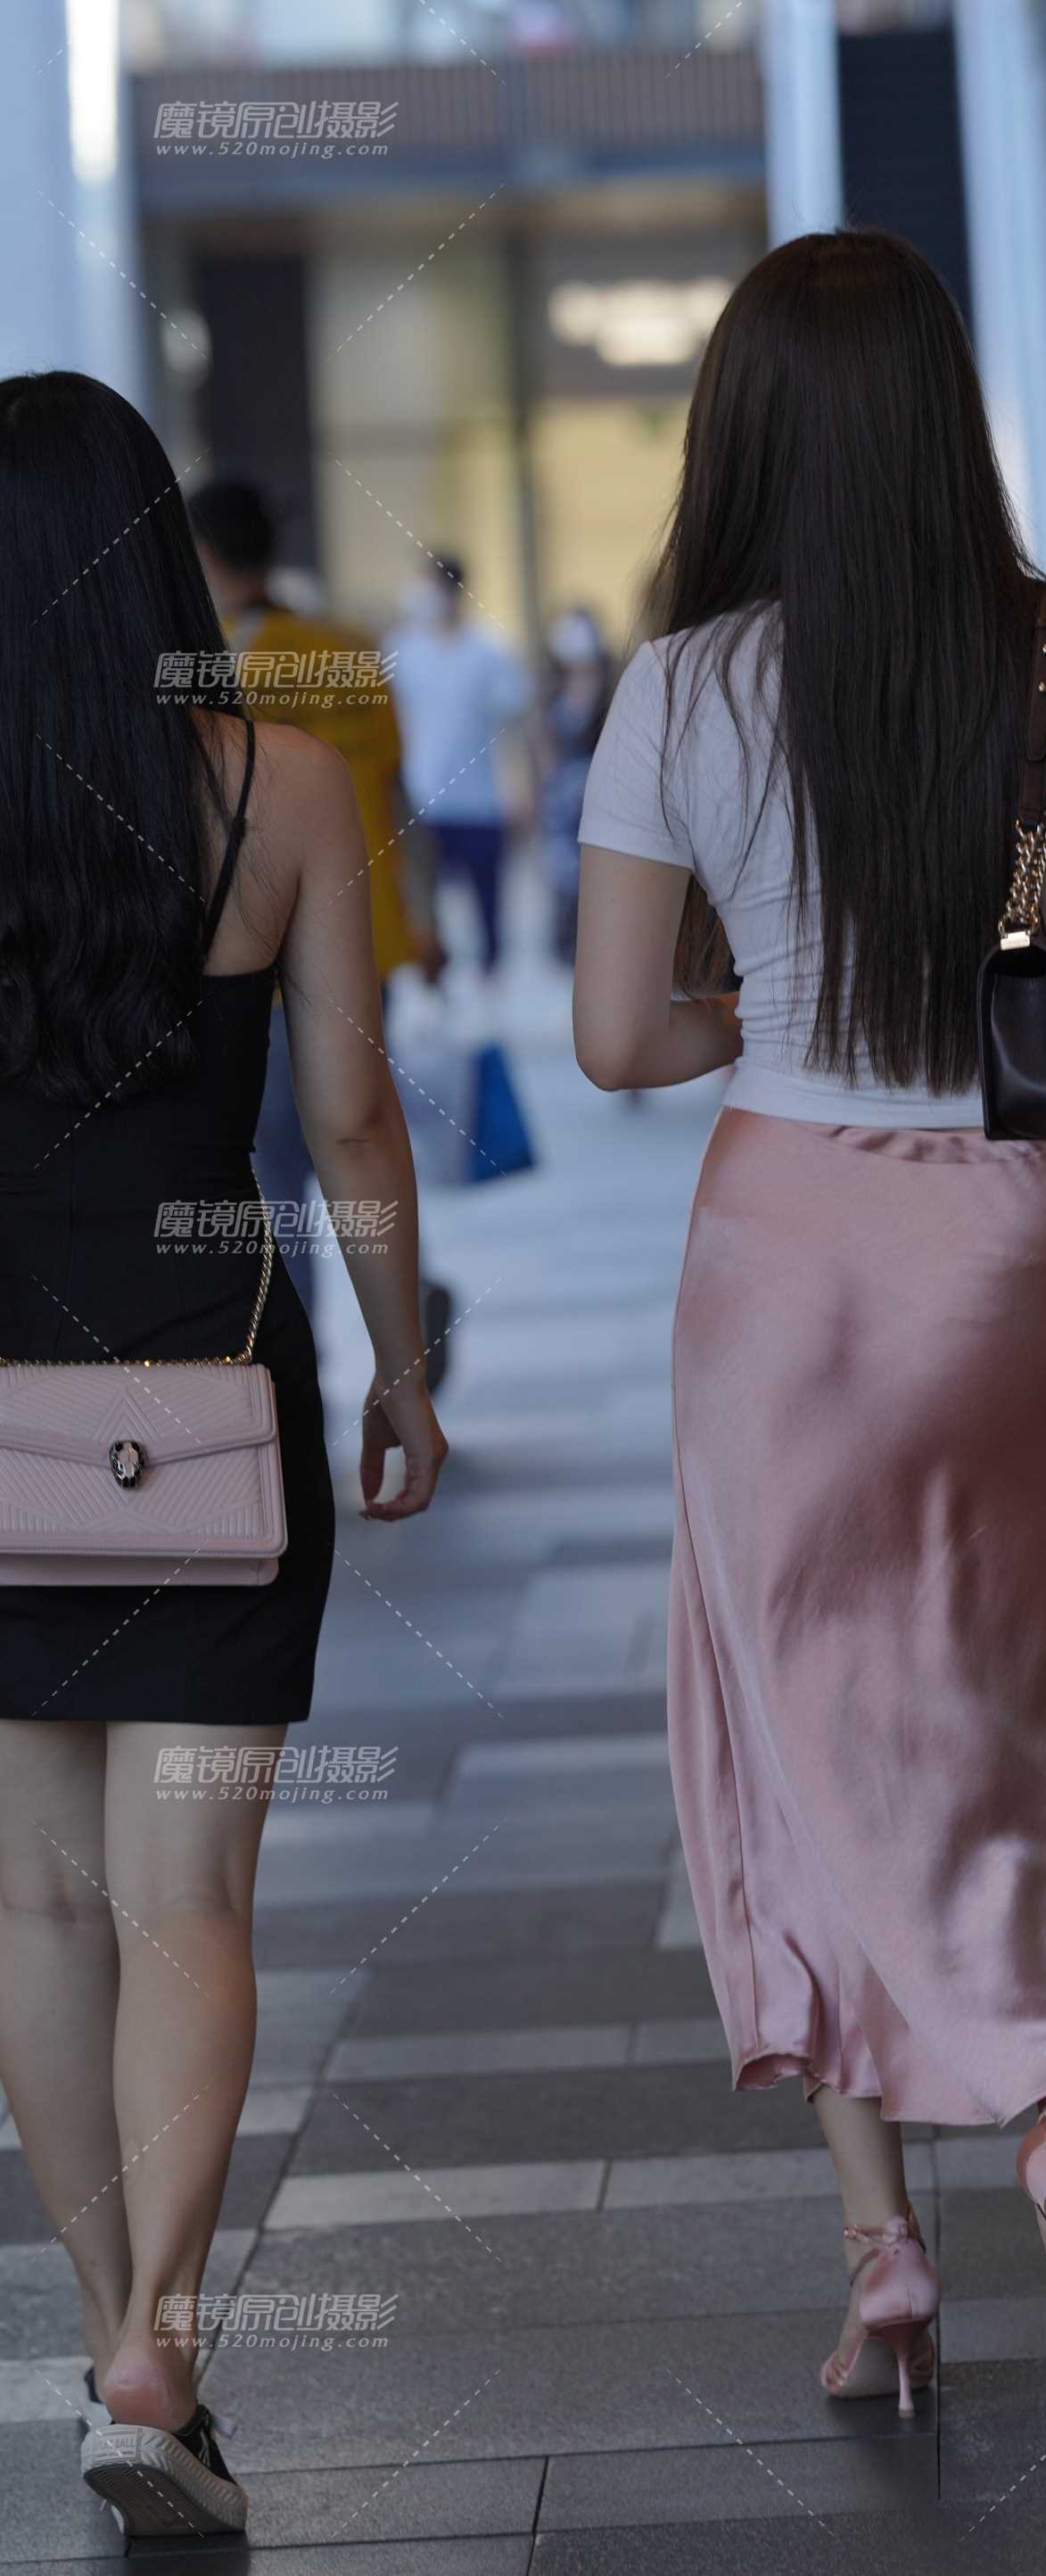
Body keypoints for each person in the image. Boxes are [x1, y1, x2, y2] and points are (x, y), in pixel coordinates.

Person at [572, 228, 1046, 2430]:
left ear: (741, 435)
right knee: (1026, 1716)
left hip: (785, 1254)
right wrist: (1026, 910)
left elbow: (612, 1039)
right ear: (947, 418)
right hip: (1017, 1243)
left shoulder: (680, 689)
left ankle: (881, 2249)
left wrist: (767, 1001)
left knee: (797, 1729)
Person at [0, 375, 448, 2539]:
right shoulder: (281, 786)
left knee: (33, 1896)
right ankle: (159, 2346)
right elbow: (350, 1117)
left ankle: (112, 2340)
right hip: (201, 1389)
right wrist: (403, 1367)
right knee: (185, 1897)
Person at [186, 481, 446, 1333]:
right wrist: (426, 919)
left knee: (274, 1174)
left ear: (203, 555)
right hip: (369, 939)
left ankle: (300, 1365)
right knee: (364, 1131)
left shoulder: (210, 671)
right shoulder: (352, 650)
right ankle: (407, 1301)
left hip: (261, 952)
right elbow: (401, 797)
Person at [384, 556, 532, 971]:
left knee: (487, 900)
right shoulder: (402, 650)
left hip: (480, 799)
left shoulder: (489, 651)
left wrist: (520, 787)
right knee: (422, 900)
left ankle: (491, 976)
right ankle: (435, 978)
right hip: (421, 797)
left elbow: (514, 725)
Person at [534, 606, 614, 963]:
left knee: (597, 884)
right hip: (560, 808)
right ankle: (566, 950)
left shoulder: (610, 693)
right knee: (563, 882)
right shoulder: (550, 695)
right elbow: (541, 748)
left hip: (599, 803)